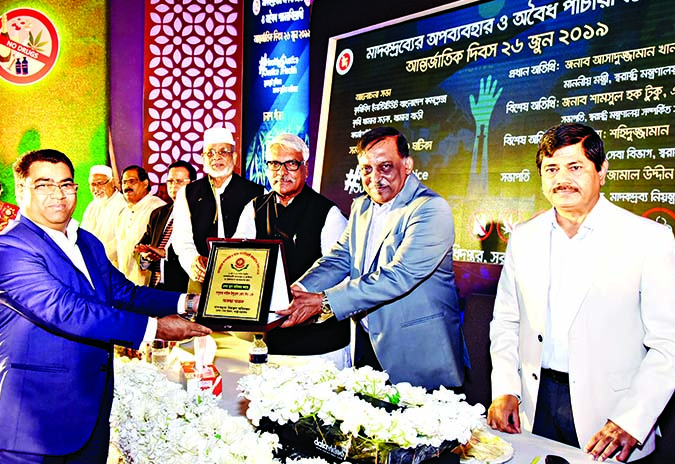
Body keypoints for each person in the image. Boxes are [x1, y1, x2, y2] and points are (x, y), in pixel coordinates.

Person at [0, 149, 210, 463]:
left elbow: (126, 294)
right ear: (21, 190)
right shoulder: (7, 248)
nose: (58, 194)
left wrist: (192, 302)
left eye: (66, 184)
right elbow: (66, 310)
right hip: (30, 425)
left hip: (89, 418)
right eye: (44, 185)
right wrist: (155, 328)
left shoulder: (87, 242)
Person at [487, 123, 675, 462]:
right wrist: (506, 388)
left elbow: (670, 344)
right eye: (551, 169)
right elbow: (506, 321)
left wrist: (631, 419)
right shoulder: (524, 237)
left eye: (575, 167)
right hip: (533, 406)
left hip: (610, 418)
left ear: (602, 171)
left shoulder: (648, 239)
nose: (561, 178)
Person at [277, 126, 467, 390]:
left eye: (385, 166)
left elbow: (399, 275)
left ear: (407, 165)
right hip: (366, 347)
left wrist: (325, 301)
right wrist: (295, 292)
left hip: (417, 355)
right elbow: (339, 259)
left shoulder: (430, 209)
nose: (375, 178)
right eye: (366, 169)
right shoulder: (361, 207)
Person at [233, 133, 350, 368]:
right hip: (269, 340)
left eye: (291, 164)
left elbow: (340, 272)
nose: (282, 172)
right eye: (275, 164)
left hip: (319, 344)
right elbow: (238, 259)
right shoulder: (254, 209)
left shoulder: (328, 213)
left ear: (305, 168)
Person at [172, 126, 264, 293]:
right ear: (202, 158)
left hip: (244, 278)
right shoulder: (187, 193)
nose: (216, 157)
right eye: (211, 153)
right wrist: (193, 262)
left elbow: (257, 238)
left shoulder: (257, 193)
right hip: (200, 281)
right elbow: (181, 240)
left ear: (234, 157)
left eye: (223, 152)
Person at [135, 160, 196, 292]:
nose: (173, 185)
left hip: (183, 289)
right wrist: (146, 256)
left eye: (180, 181)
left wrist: (165, 253)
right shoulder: (159, 213)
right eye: (170, 181)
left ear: (192, 184)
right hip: (154, 288)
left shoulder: (200, 214)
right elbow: (141, 247)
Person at [115, 165, 165, 285]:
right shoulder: (123, 212)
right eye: (124, 182)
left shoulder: (158, 209)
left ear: (145, 183)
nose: (127, 186)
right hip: (126, 285)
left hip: (148, 286)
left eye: (132, 181)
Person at [80, 164, 126, 266]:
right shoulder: (92, 206)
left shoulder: (123, 205)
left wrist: (98, 259)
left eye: (100, 183)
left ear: (113, 182)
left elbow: (119, 242)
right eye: (93, 184)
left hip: (113, 265)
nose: (96, 188)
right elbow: (83, 235)